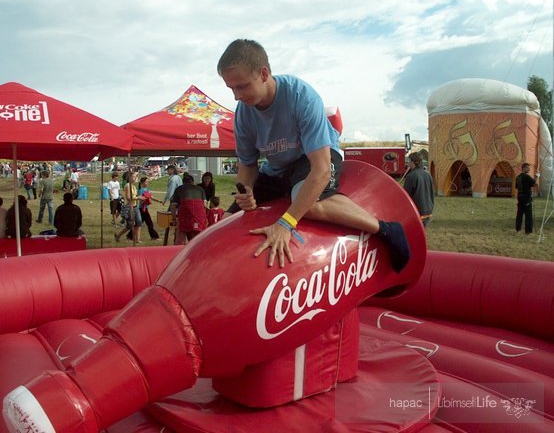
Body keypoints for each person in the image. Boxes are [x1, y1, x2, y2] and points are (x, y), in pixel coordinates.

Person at [217, 39, 410, 270]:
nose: (236, 96)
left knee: (307, 203)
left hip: (313, 158)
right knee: (228, 220)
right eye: (231, 88)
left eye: (242, 86)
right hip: (278, 168)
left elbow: (320, 169)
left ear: (264, 74)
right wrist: (246, 192)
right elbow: (247, 165)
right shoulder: (243, 114)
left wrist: (286, 223)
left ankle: (385, 229)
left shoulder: (302, 97)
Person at [172, 172, 208, 243]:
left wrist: (174, 219)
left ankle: (179, 249)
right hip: (199, 214)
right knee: (198, 236)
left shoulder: (179, 189)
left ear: (183, 182)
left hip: (185, 214)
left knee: (181, 234)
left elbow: (173, 207)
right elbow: (205, 205)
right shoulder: (200, 189)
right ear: (193, 182)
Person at [403, 152, 435, 227]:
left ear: (413, 162)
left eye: (409, 161)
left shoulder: (411, 176)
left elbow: (405, 196)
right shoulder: (428, 175)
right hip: (428, 210)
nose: (408, 163)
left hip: (418, 212)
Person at [126, 176, 161, 241]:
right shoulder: (140, 190)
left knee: (138, 223)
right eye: (146, 182)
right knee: (149, 223)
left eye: (147, 181)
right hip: (142, 209)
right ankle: (154, 236)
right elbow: (140, 200)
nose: (147, 183)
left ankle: (129, 236)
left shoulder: (147, 189)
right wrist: (145, 200)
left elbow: (151, 197)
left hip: (145, 209)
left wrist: (159, 201)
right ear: (142, 182)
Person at [115, 171, 143, 244]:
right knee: (130, 225)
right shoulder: (127, 186)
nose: (135, 178)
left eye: (135, 177)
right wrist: (138, 198)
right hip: (129, 207)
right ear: (129, 177)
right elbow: (128, 198)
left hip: (135, 206)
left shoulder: (133, 186)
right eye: (134, 177)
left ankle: (137, 239)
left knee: (139, 222)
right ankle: (118, 235)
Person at [515, 162, 539, 234]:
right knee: (528, 216)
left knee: (519, 214)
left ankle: (518, 229)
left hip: (520, 198)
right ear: (524, 168)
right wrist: (537, 176)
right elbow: (534, 183)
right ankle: (528, 231)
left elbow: (516, 187)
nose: (529, 169)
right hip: (526, 198)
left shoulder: (518, 177)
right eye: (528, 168)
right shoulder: (527, 177)